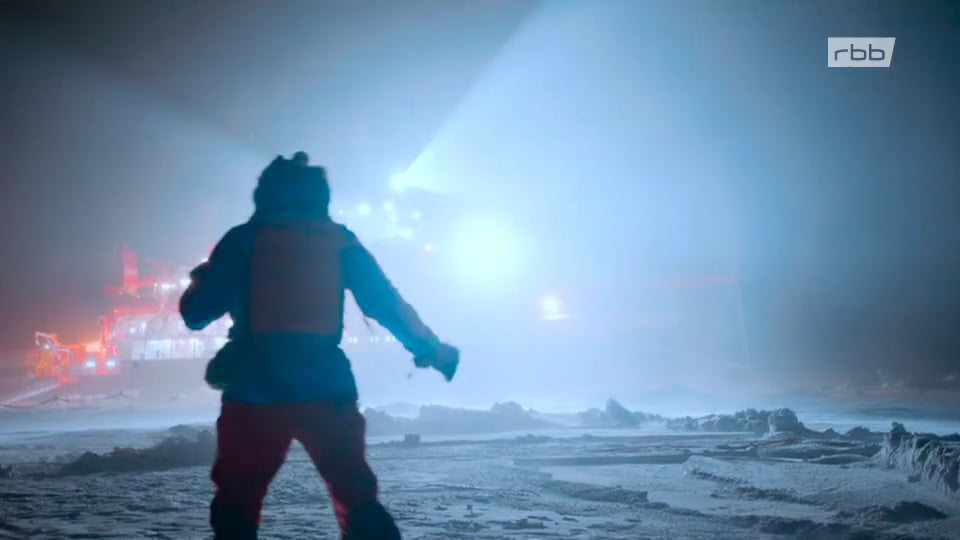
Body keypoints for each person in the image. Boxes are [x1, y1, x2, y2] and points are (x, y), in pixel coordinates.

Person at [179, 152, 459, 540]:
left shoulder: (242, 241)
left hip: (254, 392)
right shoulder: (339, 240)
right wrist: (430, 348)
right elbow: (384, 303)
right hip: (327, 389)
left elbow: (196, 314)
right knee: (356, 497)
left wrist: (201, 278)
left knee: (237, 504)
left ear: (264, 194)